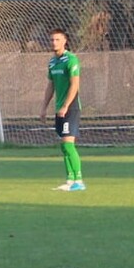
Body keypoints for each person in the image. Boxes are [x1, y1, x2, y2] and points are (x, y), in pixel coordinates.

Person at [41, 29, 84, 191]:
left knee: (68, 145)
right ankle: (70, 181)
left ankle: (79, 181)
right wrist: (44, 108)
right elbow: (50, 86)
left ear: (65, 41)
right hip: (59, 109)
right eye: (52, 40)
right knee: (63, 146)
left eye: (57, 39)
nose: (54, 42)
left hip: (71, 108)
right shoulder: (52, 62)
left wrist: (66, 105)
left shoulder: (71, 60)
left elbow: (75, 84)